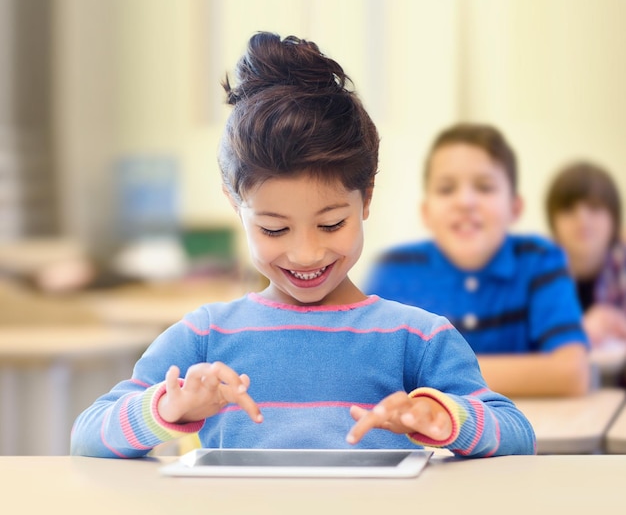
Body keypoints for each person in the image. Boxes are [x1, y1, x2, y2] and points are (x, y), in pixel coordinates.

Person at [70, 33, 535, 459]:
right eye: (274, 229)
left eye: (331, 224)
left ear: (366, 198)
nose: (306, 254)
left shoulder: (417, 339)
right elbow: (87, 435)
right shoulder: (207, 336)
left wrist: (444, 418)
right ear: (235, 204)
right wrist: (167, 407)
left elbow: (517, 432)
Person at [364, 123, 590, 398]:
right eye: (446, 189)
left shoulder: (541, 260)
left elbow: (571, 374)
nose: (466, 201)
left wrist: (428, 372)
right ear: (426, 212)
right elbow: (370, 375)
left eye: (485, 187)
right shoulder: (394, 270)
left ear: (514, 208)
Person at [545, 161, 626, 348]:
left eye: (595, 207)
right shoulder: (539, 270)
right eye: (568, 209)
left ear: (614, 218)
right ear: (553, 222)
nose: (582, 218)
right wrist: (579, 330)